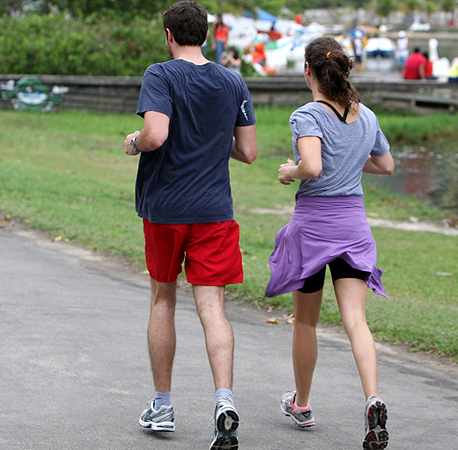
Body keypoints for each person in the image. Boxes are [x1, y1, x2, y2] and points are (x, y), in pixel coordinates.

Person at [123, 2, 257, 449]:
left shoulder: (160, 75)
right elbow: (248, 151)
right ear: (205, 34)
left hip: (165, 208)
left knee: (163, 298)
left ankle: (162, 406)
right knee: (213, 308)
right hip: (214, 210)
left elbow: (156, 135)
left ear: (168, 35)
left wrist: (134, 142)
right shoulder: (232, 80)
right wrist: (212, 140)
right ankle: (224, 400)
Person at [264, 36, 394, 449]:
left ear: (308, 71)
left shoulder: (306, 115)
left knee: (306, 321)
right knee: (356, 320)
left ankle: (301, 404)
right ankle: (373, 398)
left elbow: (313, 166)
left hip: (314, 229)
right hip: (354, 228)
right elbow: (386, 165)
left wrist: (290, 171)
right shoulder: (366, 115)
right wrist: (352, 162)